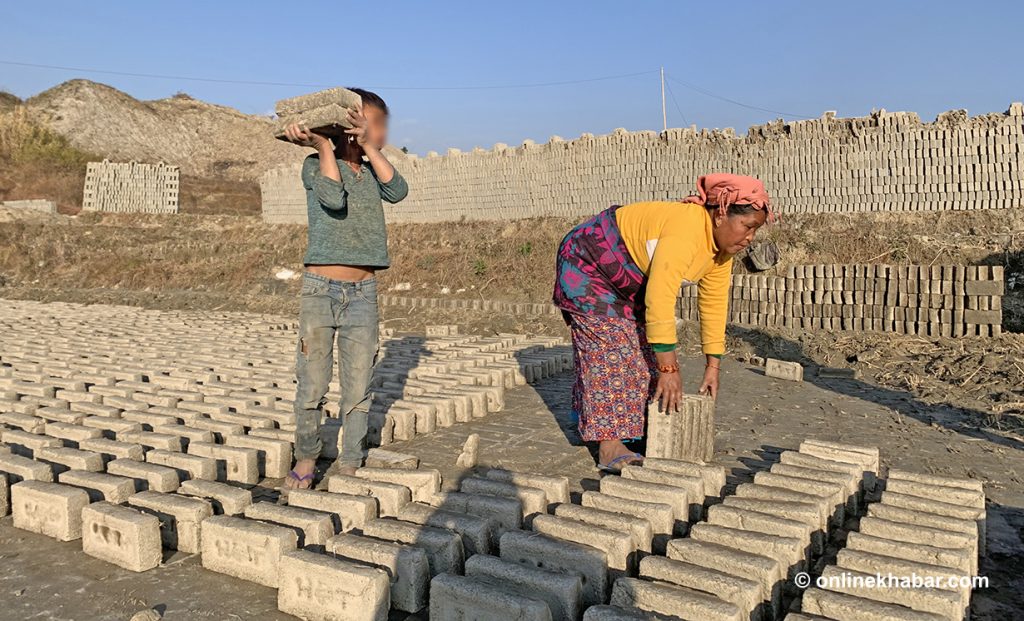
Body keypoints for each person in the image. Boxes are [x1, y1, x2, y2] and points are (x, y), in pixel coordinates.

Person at [553, 174, 772, 472]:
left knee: (644, 350)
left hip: (626, 282)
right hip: (588, 263)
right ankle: (609, 445)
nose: (749, 238)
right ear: (721, 215)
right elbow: (660, 298)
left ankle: (631, 429)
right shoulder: (686, 229)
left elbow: (714, 305)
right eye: (747, 227)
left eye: (755, 230)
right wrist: (669, 367)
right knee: (612, 349)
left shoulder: (720, 254)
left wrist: (713, 365)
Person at [282, 89, 408, 488]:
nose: (379, 130)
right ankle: (306, 456)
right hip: (321, 290)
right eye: (372, 122)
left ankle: (351, 458)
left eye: (381, 124)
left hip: (363, 293)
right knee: (312, 382)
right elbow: (333, 198)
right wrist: (322, 145)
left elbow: (399, 190)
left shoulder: (373, 170)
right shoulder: (313, 166)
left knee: (358, 383)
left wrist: (370, 147)